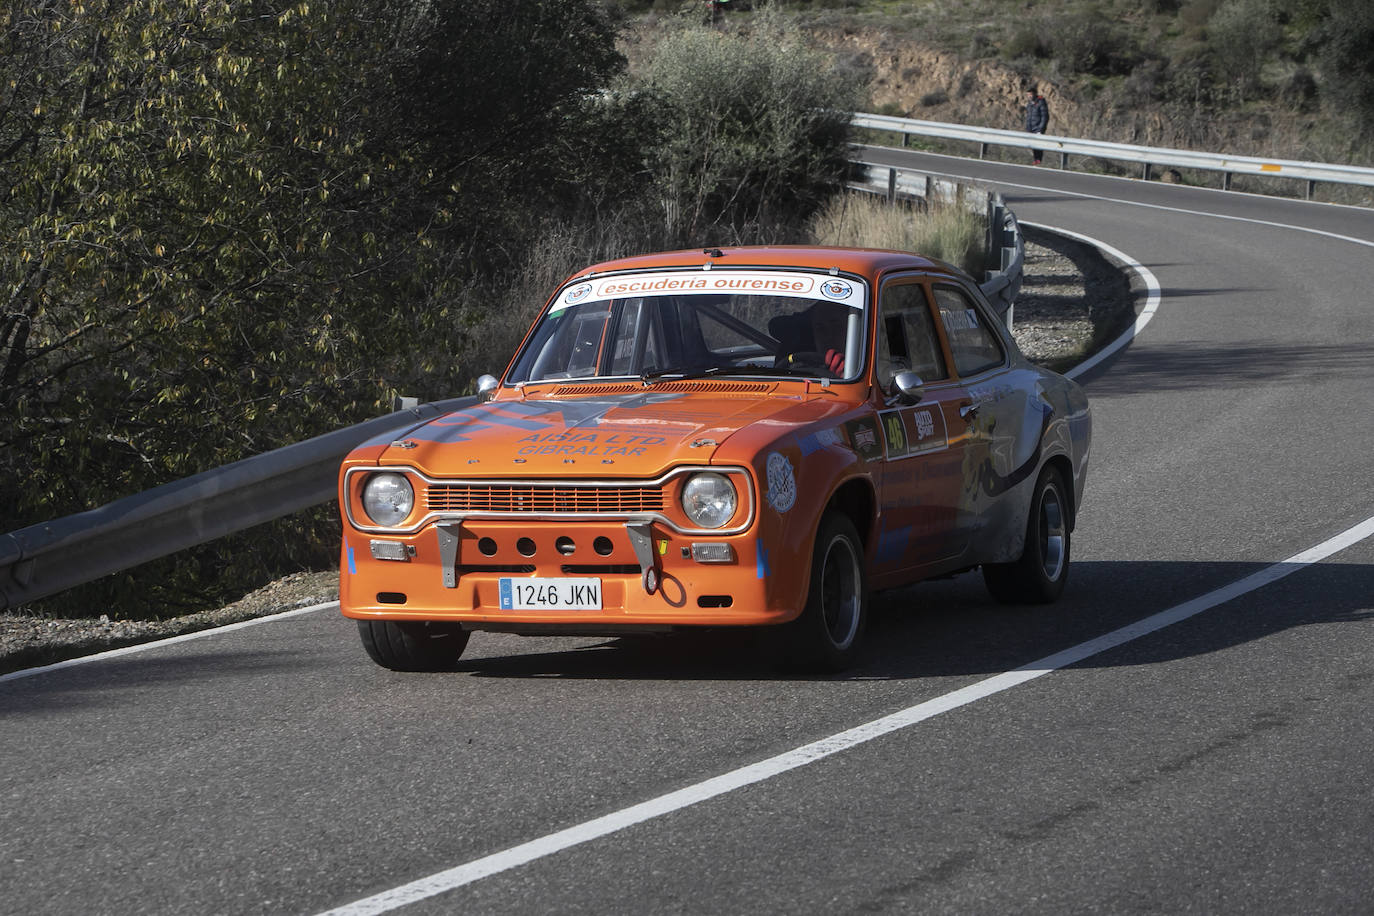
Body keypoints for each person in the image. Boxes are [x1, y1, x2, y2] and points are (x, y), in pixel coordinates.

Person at [1025, 86, 1049, 166]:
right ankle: (1036, 160)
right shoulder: (1029, 104)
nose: (1029, 96)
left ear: (1035, 94)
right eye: (1028, 95)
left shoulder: (1040, 102)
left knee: (1038, 145)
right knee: (1033, 145)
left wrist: (1040, 129)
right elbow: (1028, 117)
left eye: (1030, 94)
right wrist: (1028, 127)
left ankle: (1038, 160)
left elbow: (1044, 116)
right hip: (1031, 128)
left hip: (1038, 128)